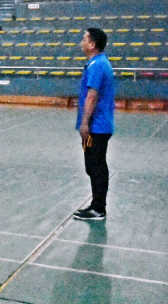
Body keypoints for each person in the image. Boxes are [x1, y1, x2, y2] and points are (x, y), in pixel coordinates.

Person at [73, 28, 114, 221]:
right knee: (92, 166)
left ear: (92, 44)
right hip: (96, 126)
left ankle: (99, 209)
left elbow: (92, 96)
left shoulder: (97, 65)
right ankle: (96, 205)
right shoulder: (97, 63)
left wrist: (84, 123)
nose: (81, 43)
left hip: (96, 127)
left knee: (96, 166)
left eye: (84, 39)